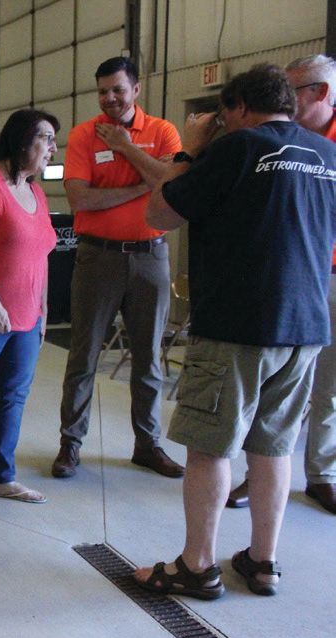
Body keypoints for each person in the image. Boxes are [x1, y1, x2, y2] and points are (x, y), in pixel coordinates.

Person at [134, 64, 336, 599]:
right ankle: (263, 561)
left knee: (209, 448)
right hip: (308, 326)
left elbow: (159, 213)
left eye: (224, 113)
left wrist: (190, 152)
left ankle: (196, 566)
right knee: (273, 449)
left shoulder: (235, 149)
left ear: (241, 108)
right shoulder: (328, 155)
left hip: (237, 325)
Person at [52, 56, 185, 480]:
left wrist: (126, 147)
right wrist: (143, 186)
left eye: (118, 90)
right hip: (97, 257)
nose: (109, 99)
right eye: (103, 91)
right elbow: (81, 200)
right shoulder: (83, 136)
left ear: (136, 90)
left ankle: (148, 446)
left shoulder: (163, 131)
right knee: (84, 354)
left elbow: (171, 181)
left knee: (147, 360)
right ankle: (70, 445)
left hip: (151, 257)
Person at [226, 54, 336, 514]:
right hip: (286, 276)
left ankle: (322, 474)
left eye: (294, 92)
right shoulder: (273, 141)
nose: (285, 103)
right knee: (270, 382)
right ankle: (260, 472)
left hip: (326, 274)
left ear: (321, 93)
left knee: (328, 383)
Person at [0, 109, 60, 504]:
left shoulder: (35, 190)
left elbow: (43, 254)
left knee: (13, 398)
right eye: (46, 139)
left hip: (26, 319)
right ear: (21, 140)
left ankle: (2, 477)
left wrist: (44, 309)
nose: (52, 149)